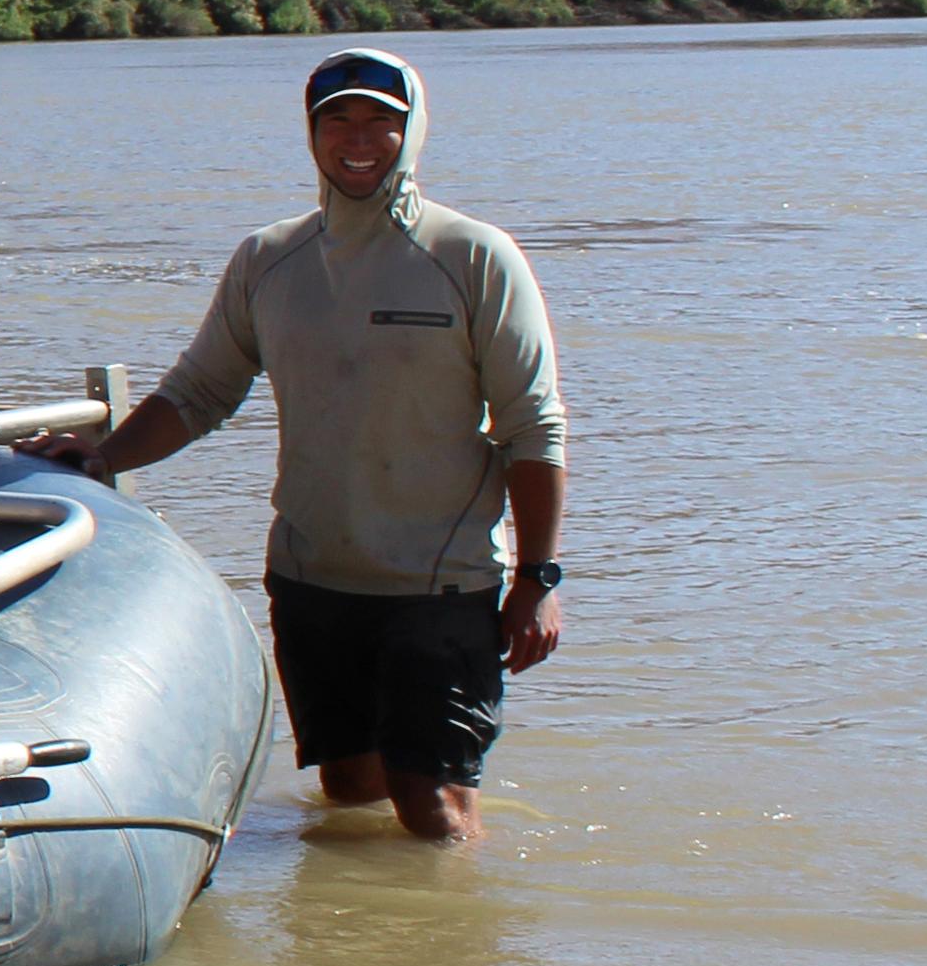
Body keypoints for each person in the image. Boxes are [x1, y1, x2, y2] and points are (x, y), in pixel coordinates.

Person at [48, 47, 570, 841]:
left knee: (432, 808)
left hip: (442, 585)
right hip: (312, 578)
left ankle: (449, 954)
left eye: (379, 123)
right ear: (312, 132)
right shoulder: (269, 259)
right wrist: (102, 458)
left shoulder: (474, 257)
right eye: (337, 120)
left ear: (413, 132)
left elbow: (533, 427)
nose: (356, 139)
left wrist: (536, 578)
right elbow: (199, 393)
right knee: (348, 789)